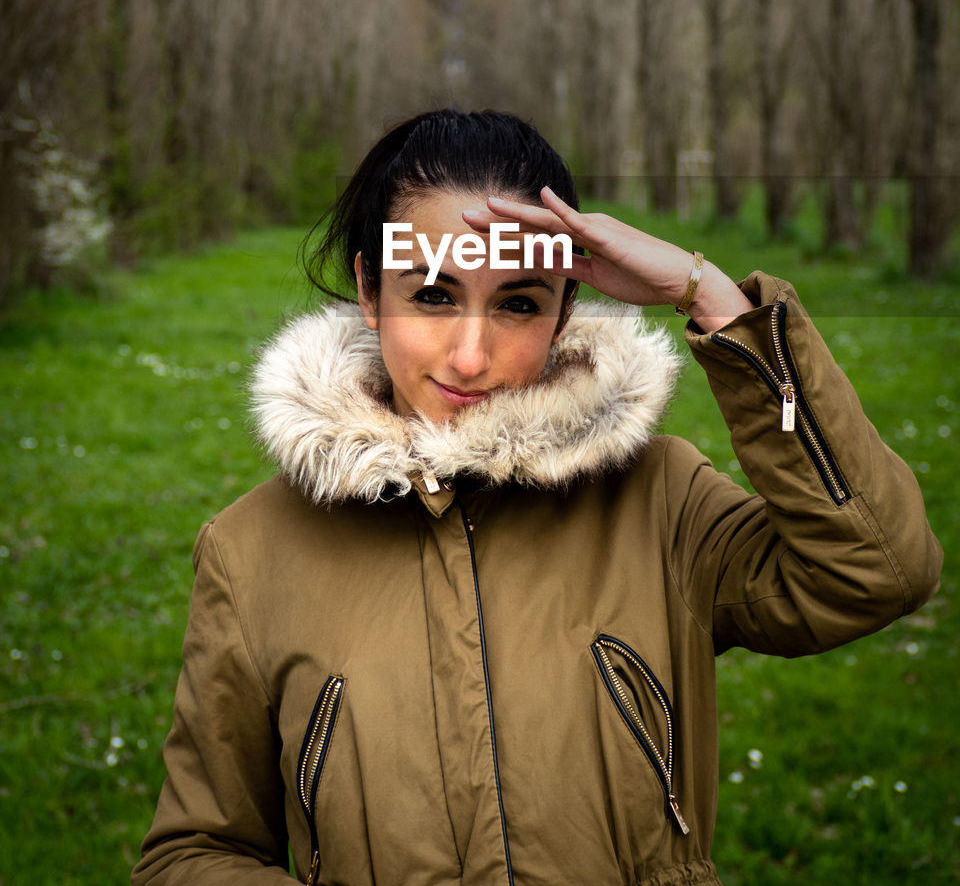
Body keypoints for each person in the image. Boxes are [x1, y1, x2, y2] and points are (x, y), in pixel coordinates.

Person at [133, 108, 942, 886]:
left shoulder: (658, 499)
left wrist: (715, 301)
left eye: (518, 303)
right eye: (434, 295)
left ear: (562, 316)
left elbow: (877, 568)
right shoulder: (252, 553)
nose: (472, 355)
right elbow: (193, 853)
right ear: (370, 291)